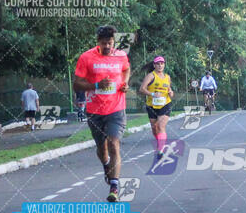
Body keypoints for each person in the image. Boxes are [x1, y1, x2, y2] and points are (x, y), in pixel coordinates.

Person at [73, 25, 130, 202]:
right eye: (104, 43)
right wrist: (96, 86)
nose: (107, 46)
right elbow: (77, 84)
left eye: (110, 43)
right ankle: (106, 165)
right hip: (95, 110)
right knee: (102, 148)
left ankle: (114, 186)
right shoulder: (86, 57)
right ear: (98, 42)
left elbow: (126, 69)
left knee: (114, 143)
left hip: (116, 108)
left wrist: (125, 83)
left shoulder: (120, 55)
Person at [139, 56, 174, 159]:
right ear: (154, 65)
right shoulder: (150, 76)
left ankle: (160, 150)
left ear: (164, 65)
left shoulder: (167, 77)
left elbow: (169, 90)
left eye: (162, 63)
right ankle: (161, 143)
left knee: (160, 126)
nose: (160, 66)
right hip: (152, 105)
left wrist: (171, 92)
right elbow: (142, 89)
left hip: (165, 104)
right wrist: (152, 94)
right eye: (158, 64)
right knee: (155, 129)